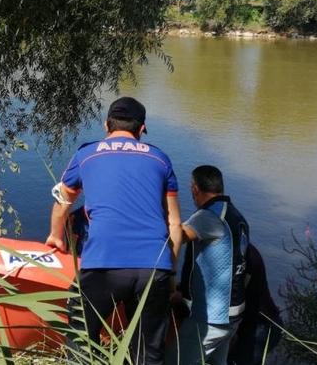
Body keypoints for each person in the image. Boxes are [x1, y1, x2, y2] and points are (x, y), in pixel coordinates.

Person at [46, 97, 184, 365]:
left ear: (105, 125)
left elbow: (62, 203)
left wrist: (55, 236)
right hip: (154, 267)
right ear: (141, 129)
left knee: (82, 339)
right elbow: (175, 225)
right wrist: (171, 273)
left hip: (103, 265)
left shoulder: (87, 154)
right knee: (149, 354)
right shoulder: (161, 159)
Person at [165, 165, 249, 365]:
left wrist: (170, 277)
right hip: (233, 314)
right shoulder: (236, 216)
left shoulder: (209, 216)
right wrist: (183, 290)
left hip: (211, 317)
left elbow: (176, 236)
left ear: (195, 189)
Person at [227, 244, 283, 365]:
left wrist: (231, 332)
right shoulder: (240, 248)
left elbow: (234, 298)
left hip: (259, 327)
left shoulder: (241, 256)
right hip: (252, 324)